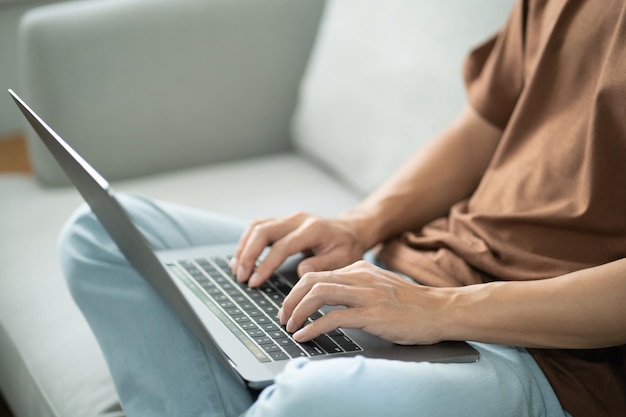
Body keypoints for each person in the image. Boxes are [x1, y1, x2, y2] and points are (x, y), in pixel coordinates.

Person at [59, 0, 626, 416]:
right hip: (412, 275)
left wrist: (438, 311)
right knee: (101, 237)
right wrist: (360, 225)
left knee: (307, 402)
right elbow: (486, 124)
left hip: (546, 355)